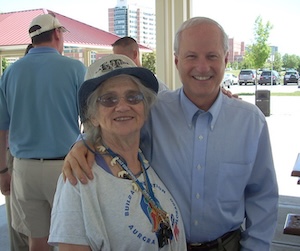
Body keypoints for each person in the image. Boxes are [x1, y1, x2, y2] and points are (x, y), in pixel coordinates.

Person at [63, 17, 278, 250]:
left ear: (226, 59)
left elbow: (263, 197)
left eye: (212, 56)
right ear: (177, 61)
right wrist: (82, 143)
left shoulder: (250, 121)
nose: (202, 67)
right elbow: (112, 125)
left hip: (228, 244)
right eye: (191, 56)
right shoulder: (153, 111)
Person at [48, 54, 186, 250]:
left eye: (133, 97)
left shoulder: (148, 159)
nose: (122, 106)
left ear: (144, 109)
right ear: (93, 116)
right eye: (108, 99)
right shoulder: (78, 180)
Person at [0, 13, 86, 251]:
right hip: (66, 168)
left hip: (24, 170)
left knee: (36, 241)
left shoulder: (11, 72)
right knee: (74, 239)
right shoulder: (75, 68)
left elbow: (1, 128)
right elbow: (91, 121)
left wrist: (2, 170)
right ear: (57, 34)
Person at [2, 45, 33, 251]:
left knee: (19, 224)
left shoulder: (10, 76)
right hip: (58, 159)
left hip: (16, 158)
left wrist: (2, 170)